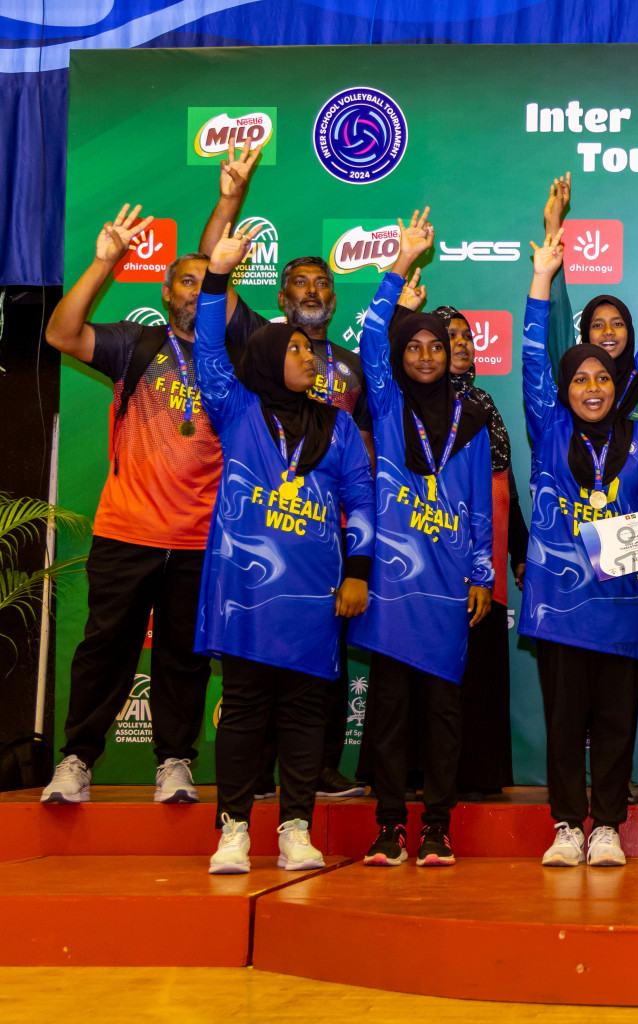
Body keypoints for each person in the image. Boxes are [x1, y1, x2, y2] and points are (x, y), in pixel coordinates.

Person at [191, 225, 375, 874]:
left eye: (310, 349)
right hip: (245, 595)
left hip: (315, 597)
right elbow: (209, 350)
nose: (308, 356)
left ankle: (296, 827)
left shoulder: (340, 424)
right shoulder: (235, 409)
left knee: (303, 714)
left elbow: (363, 502)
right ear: (270, 355)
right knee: (242, 714)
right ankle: (234, 829)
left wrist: (357, 572)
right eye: (295, 348)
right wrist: (217, 277)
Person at [522, 213, 638, 868]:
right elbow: (533, 358)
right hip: (559, 605)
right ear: (565, 390)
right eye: (580, 378)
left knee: (617, 724)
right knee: (567, 724)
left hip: (621, 601)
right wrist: (542, 279)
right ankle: (569, 825)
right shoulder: (547, 428)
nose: (593, 387)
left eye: (602, 378)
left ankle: (608, 829)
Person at [40, 205, 224, 806]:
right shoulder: (134, 343)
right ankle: (76, 760)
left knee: (184, 660)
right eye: (186, 280)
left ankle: (174, 762)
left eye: (208, 279)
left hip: (201, 539)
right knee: (105, 650)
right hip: (127, 530)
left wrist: (226, 202)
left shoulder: (240, 355)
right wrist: (103, 261)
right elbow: (61, 334)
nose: (197, 290)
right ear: (166, 290)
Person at [351, 208, 494, 869]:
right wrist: (400, 263)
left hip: (445, 585)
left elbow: (479, 509)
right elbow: (371, 335)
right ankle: (387, 827)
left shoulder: (467, 419)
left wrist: (483, 576)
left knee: (442, 713)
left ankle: (436, 826)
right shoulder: (385, 403)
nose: (427, 355)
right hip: (388, 585)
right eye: (415, 347)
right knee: (388, 714)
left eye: (437, 345)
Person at [434, 303, 526, 799]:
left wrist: (518, 551)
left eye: (467, 336)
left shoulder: (483, 403)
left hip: (488, 550)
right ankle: (429, 774)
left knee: (481, 662)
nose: (464, 343)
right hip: (438, 551)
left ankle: (480, 773)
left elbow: (504, 482)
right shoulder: (418, 405)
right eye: (451, 335)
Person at [540, 173, 638, 455]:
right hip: (572, 498)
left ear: (629, 332)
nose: (608, 331)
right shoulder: (571, 376)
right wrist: (553, 224)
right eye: (598, 325)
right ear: (584, 333)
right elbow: (556, 306)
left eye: (617, 324)